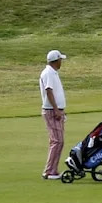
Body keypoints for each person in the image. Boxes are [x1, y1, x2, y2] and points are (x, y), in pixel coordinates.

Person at [40, 49, 67, 180]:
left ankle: (52, 170)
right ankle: (50, 171)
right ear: (56, 61)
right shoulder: (49, 73)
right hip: (51, 110)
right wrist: (56, 109)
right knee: (57, 141)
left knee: (57, 141)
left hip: (55, 110)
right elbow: (49, 91)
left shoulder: (52, 72)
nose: (61, 62)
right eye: (60, 59)